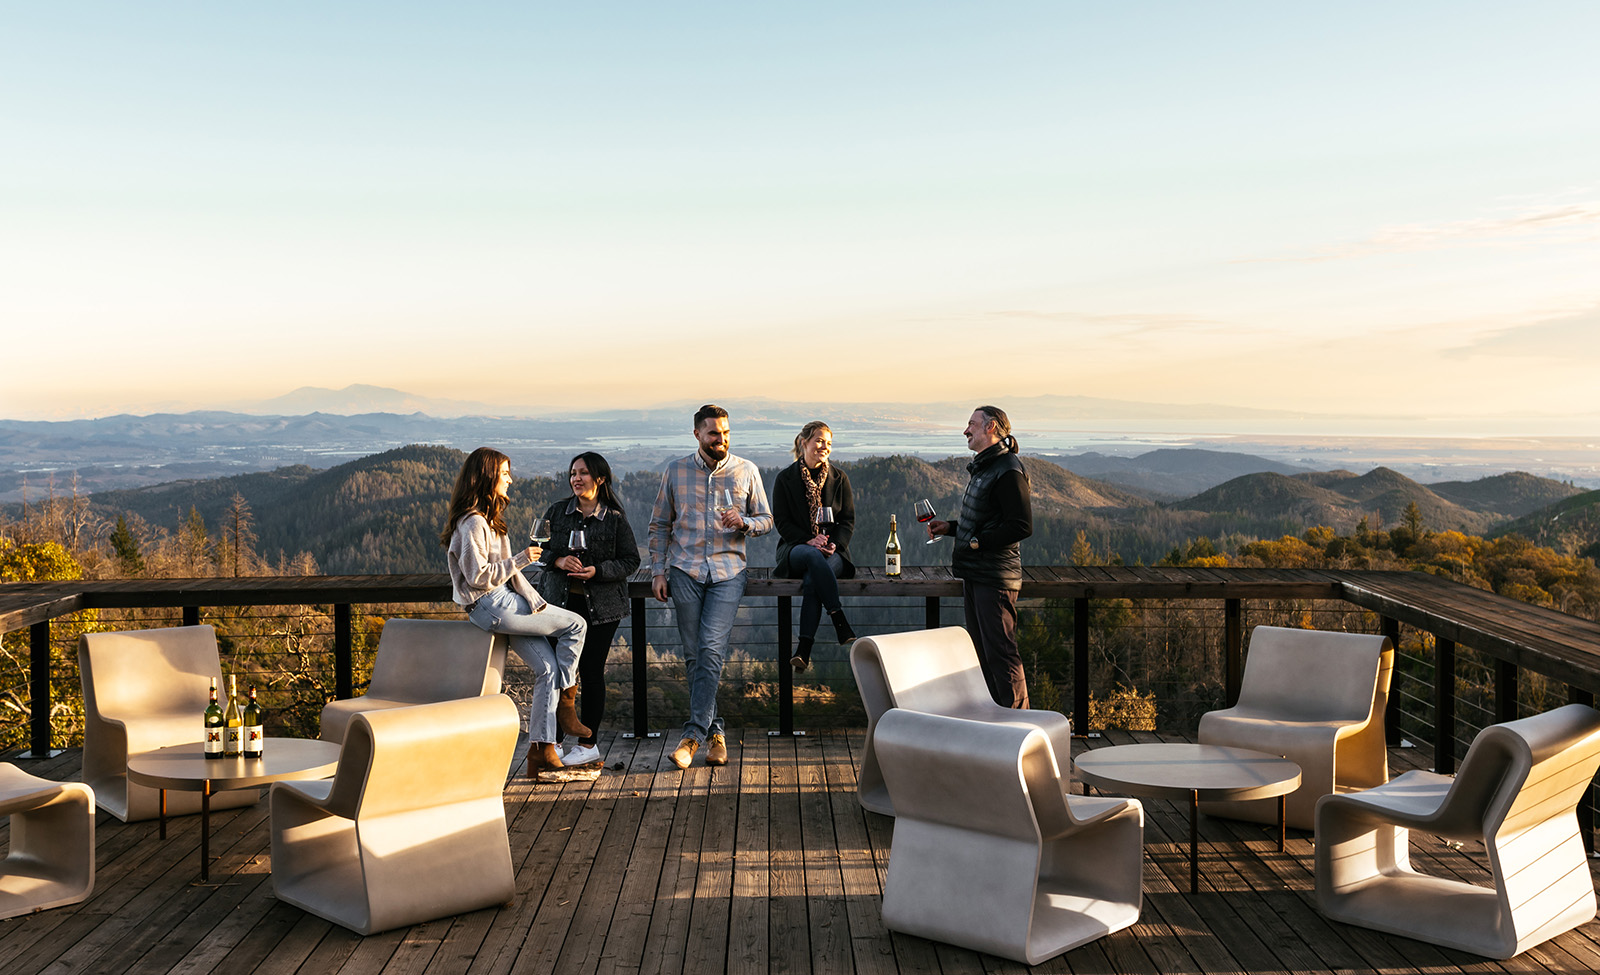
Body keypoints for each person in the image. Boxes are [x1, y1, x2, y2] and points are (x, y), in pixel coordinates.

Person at [442, 446, 590, 775]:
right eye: (505, 473)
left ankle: (542, 752)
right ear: (487, 477)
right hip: (493, 604)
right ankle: (568, 704)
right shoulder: (473, 524)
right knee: (576, 625)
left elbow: (506, 573)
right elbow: (479, 576)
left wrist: (533, 598)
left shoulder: (490, 521)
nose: (510, 479)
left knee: (548, 670)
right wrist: (522, 558)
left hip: (502, 604)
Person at [649, 404, 773, 769]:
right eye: (714, 433)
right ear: (697, 435)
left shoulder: (746, 470)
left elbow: (767, 520)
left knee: (711, 649)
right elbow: (659, 525)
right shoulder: (676, 471)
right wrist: (658, 571)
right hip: (684, 571)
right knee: (694, 655)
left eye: (726, 433)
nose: (721, 439)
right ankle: (716, 734)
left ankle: (691, 736)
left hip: (728, 572)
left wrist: (745, 522)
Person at [532, 451, 641, 767]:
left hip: (601, 608)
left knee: (591, 673)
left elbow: (631, 560)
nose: (576, 478)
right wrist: (558, 559)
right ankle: (555, 743)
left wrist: (598, 571)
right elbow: (539, 549)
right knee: (556, 673)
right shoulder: (558, 512)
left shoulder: (615, 519)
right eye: (572, 473)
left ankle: (588, 743)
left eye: (583, 473)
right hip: (560, 606)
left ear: (600, 478)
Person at [925, 406, 1034, 708]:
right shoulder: (988, 467)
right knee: (983, 654)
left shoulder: (1008, 469)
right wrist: (952, 529)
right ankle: (995, 721)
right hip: (977, 574)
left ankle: (1018, 723)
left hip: (995, 577)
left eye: (971, 424)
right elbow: (985, 521)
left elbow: (1021, 525)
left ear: (992, 428)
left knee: (1001, 654)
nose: (965, 430)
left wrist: (975, 542)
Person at [771, 420, 857, 671]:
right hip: (795, 549)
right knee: (811, 556)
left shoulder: (839, 478)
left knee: (813, 580)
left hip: (832, 552)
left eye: (828, 443)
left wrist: (834, 544)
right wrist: (808, 540)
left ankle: (803, 650)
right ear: (803, 442)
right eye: (819, 441)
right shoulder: (785, 479)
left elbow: (847, 520)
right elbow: (782, 522)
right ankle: (838, 616)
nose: (824, 447)